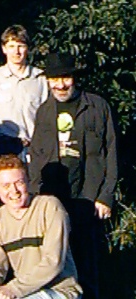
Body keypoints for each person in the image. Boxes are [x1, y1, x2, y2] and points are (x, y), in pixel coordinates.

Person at [28, 53, 117, 299]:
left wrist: (105, 196)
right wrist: (35, 201)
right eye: (54, 79)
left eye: (65, 77)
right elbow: (36, 160)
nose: (60, 84)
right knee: (56, 268)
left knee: (88, 266)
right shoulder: (44, 112)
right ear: (47, 81)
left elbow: (111, 153)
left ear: (74, 78)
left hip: (88, 199)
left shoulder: (98, 106)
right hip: (53, 201)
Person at [0, 155, 82, 299]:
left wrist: (14, 289)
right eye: (6, 186)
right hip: (24, 293)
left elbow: (53, 262)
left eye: (19, 182)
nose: (14, 191)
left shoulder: (49, 207)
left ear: (28, 181)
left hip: (59, 291)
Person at [0, 25, 48, 166]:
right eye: (11, 46)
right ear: (4, 49)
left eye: (20, 46)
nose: (16, 51)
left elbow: (47, 116)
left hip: (33, 149)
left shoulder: (40, 79)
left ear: (27, 48)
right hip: (2, 147)